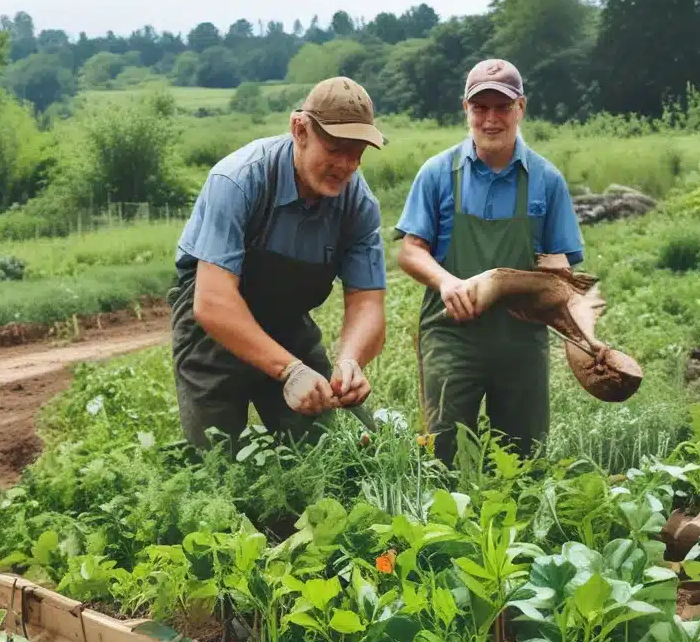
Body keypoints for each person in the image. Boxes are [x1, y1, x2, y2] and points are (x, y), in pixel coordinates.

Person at [169, 77, 388, 451]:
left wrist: (351, 360)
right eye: (335, 148)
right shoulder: (239, 180)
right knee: (215, 458)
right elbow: (212, 301)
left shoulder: (358, 204)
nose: (346, 165)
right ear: (299, 129)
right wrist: (290, 370)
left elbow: (367, 301)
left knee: (325, 449)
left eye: (357, 153)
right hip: (215, 326)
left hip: (287, 322)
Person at [394, 59, 585, 467]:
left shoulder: (546, 180)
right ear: (466, 109)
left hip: (522, 342)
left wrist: (584, 333)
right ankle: (442, 528)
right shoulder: (438, 173)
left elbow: (561, 265)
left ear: (522, 108)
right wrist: (447, 282)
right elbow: (410, 250)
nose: (491, 119)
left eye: (502, 107)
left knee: (523, 460)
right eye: (481, 108)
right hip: (451, 337)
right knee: (440, 453)